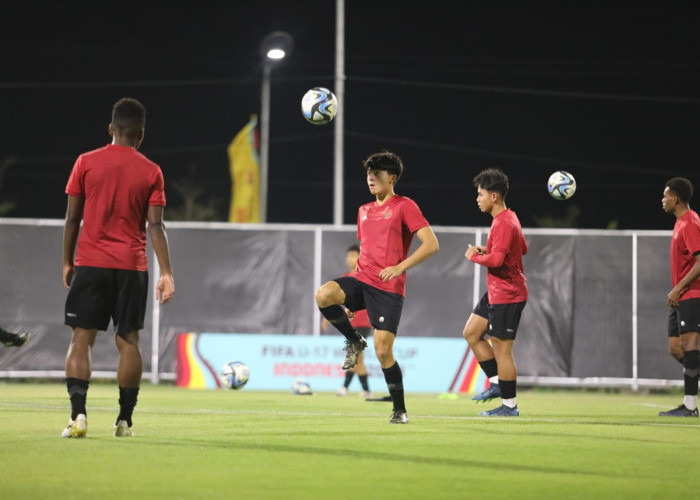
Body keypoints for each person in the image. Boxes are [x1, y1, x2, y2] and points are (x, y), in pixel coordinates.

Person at [61, 98, 175, 438]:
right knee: (129, 342)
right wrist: (166, 272)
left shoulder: (85, 162)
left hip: (91, 263)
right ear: (141, 134)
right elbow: (156, 226)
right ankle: (124, 421)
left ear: (111, 129)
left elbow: (72, 218)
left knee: (82, 340)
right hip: (132, 266)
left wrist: (67, 262)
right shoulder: (151, 170)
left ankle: (78, 416)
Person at [315, 151, 439, 424]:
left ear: (392, 178)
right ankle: (354, 340)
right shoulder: (363, 210)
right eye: (368, 174)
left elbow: (431, 244)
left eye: (377, 174)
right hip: (362, 280)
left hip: (388, 287)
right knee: (324, 294)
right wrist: (349, 301)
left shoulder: (405, 205)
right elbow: (368, 252)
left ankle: (400, 410)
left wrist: (400, 266)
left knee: (383, 351)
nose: (371, 178)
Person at [463, 168, 527, 417]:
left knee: (502, 350)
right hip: (497, 292)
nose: (477, 199)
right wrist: (486, 249)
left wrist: (475, 257)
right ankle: (497, 383)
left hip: (509, 295)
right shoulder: (509, 218)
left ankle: (509, 406)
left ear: (494, 197)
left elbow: (498, 261)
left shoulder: (503, 222)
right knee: (471, 333)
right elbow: (523, 248)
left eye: (480, 194)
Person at [659, 177, 700, 417]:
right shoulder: (680, 223)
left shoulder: (691, 222)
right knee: (676, 349)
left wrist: (678, 288)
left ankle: (690, 405)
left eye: (665, 196)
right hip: (680, 297)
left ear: (675, 198)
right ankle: (689, 401)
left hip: (692, 294)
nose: (662, 200)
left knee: (690, 346)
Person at [322, 245, 372, 398]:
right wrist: (327, 317)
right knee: (356, 357)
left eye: (353, 255)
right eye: (348, 256)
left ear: (360, 257)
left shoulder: (366, 275)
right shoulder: (344, 277)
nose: (350, 258)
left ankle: (345, 388)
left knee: (354, 354)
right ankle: (366, 391)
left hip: (364, 323)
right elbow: (336, 300)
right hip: (351, 324)